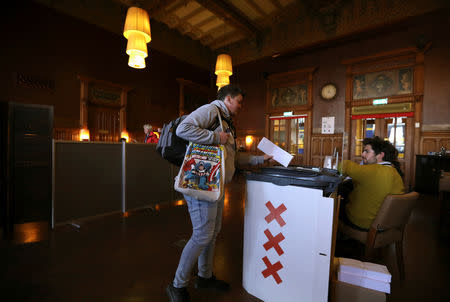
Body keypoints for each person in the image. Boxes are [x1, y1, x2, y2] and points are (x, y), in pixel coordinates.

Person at [166, 84, 271, 302]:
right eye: (239, 101)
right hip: (200, 185)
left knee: (211, 234)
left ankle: (204, 277)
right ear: (228, 99)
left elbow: (232, 158)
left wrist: (261, 160)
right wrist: (216, 139)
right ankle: (177, 285)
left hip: (215, 186)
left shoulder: (226, 122)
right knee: (202, 234)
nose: (241, 106)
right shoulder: (211, 110)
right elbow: (182, 129)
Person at [339, 136, 405, 231]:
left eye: (367, 151)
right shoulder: (394, 171)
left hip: (366, 225)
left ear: (380, 155)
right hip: (388, 225)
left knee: (338, 198)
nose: (362, 154)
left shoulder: (373, 170)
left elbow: (343, 165)